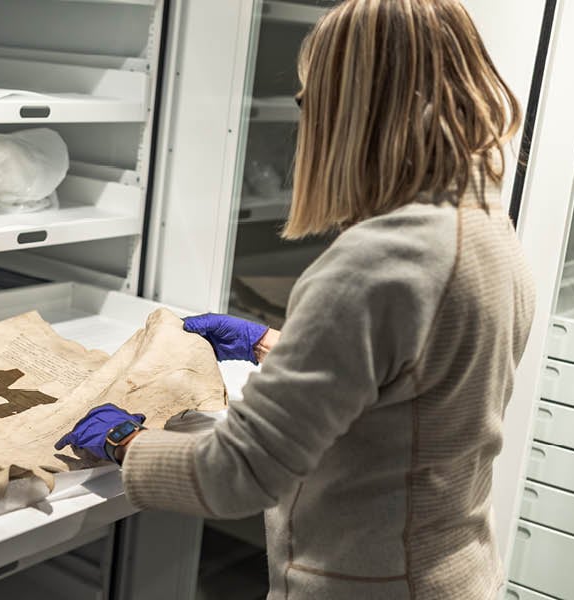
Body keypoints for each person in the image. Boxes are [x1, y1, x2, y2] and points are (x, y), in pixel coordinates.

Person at [54, 1, 536, 598]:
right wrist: (273, 345)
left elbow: (234, 475)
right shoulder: (484, 228)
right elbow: (419, 384)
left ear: (353, 109)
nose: (305, 121)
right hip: (454, 571)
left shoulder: (376, 265)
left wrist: (126, 441)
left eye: (310, 101)